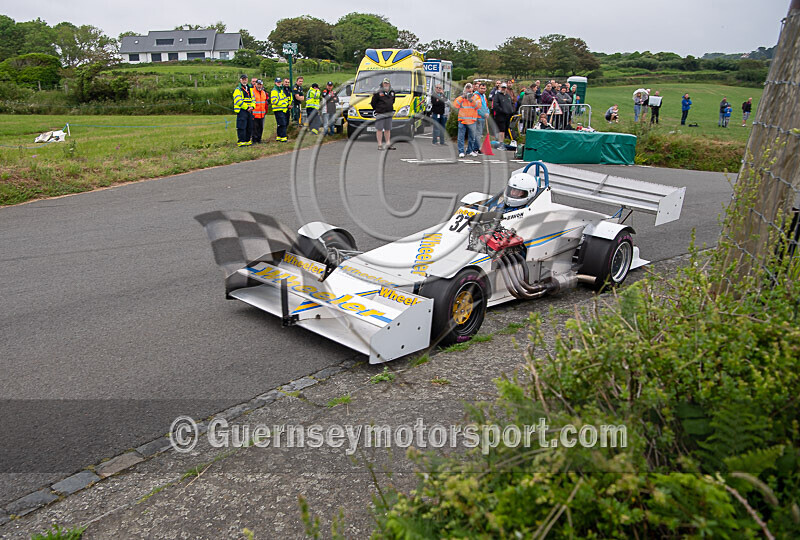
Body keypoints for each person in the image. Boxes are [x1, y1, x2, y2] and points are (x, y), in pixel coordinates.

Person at [452, 83, 482, 157]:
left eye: (470, 90)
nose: (469, 92)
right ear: (465, 90)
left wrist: (471, 100)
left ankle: (470, 150)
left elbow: (478, 106)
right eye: (468, 90)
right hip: (462, 120)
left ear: (472, 90)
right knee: (461, 137)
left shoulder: (476, 97)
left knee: (472, 137)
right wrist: (463, 97)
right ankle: (461, 151)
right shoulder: (461, 97)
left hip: (472, 121)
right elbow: (455, 105)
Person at [371, 77, 396, 150]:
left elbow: (393, 101)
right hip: (380, 113)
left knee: (388, 129)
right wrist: (378, 109)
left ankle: (388, 144)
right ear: (382, 84)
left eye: (387, 83)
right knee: (379, 129)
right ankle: (380, 144)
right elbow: (373, 103)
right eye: (385, 83)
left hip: (389, 113)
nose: (386, 85)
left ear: (389, 84)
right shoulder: (378, 92)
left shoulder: (392, 92)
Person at [232, 74, 254, 147]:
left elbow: (253, 99)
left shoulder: (250, 89)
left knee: (249, 126)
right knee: (242, 127)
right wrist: (247, 107)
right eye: (243, 79)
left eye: (245, 79)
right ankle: (241, 141)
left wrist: (252, 107)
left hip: (250, 111)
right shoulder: (238, 89)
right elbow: (238, 101)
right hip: (242, 110)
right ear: (240, 80)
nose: (244, 81)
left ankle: (248, 141)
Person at [468, 82, 490, 154]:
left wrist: (488, 113)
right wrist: (484, 114)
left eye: (484, 88)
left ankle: (477, 147)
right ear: (478, 88)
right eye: (481, 88)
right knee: (477, 134)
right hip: (477, 117)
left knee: (479, 134)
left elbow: (486, 106)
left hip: (483, 118)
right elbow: (476, 107)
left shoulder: (484, 96)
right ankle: (475, 148)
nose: (483, 90)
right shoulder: (475, 96)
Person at [270, 77, 292, 142]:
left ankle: (279, 136)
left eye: (279, 82)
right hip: (278, 109)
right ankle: (283, 137)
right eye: (278, 82)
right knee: (282, 123)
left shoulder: (280, 90)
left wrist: (287, 104)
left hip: (283, 109)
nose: (279, 83)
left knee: (282, 123)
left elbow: (284, 98)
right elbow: (274, 101)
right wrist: (283, 104)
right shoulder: (274, 90)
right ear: (275, 83)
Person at [251, 79, 268, 144]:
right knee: (254, 128)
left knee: (261, 128)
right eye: (258, 84)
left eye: (260, 85)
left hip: (262, 114)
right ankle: (254, 140)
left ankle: (259, 139)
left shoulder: (263, 92)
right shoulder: (252, 92)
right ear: (255, 84)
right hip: (254, 114)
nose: (259, 86)